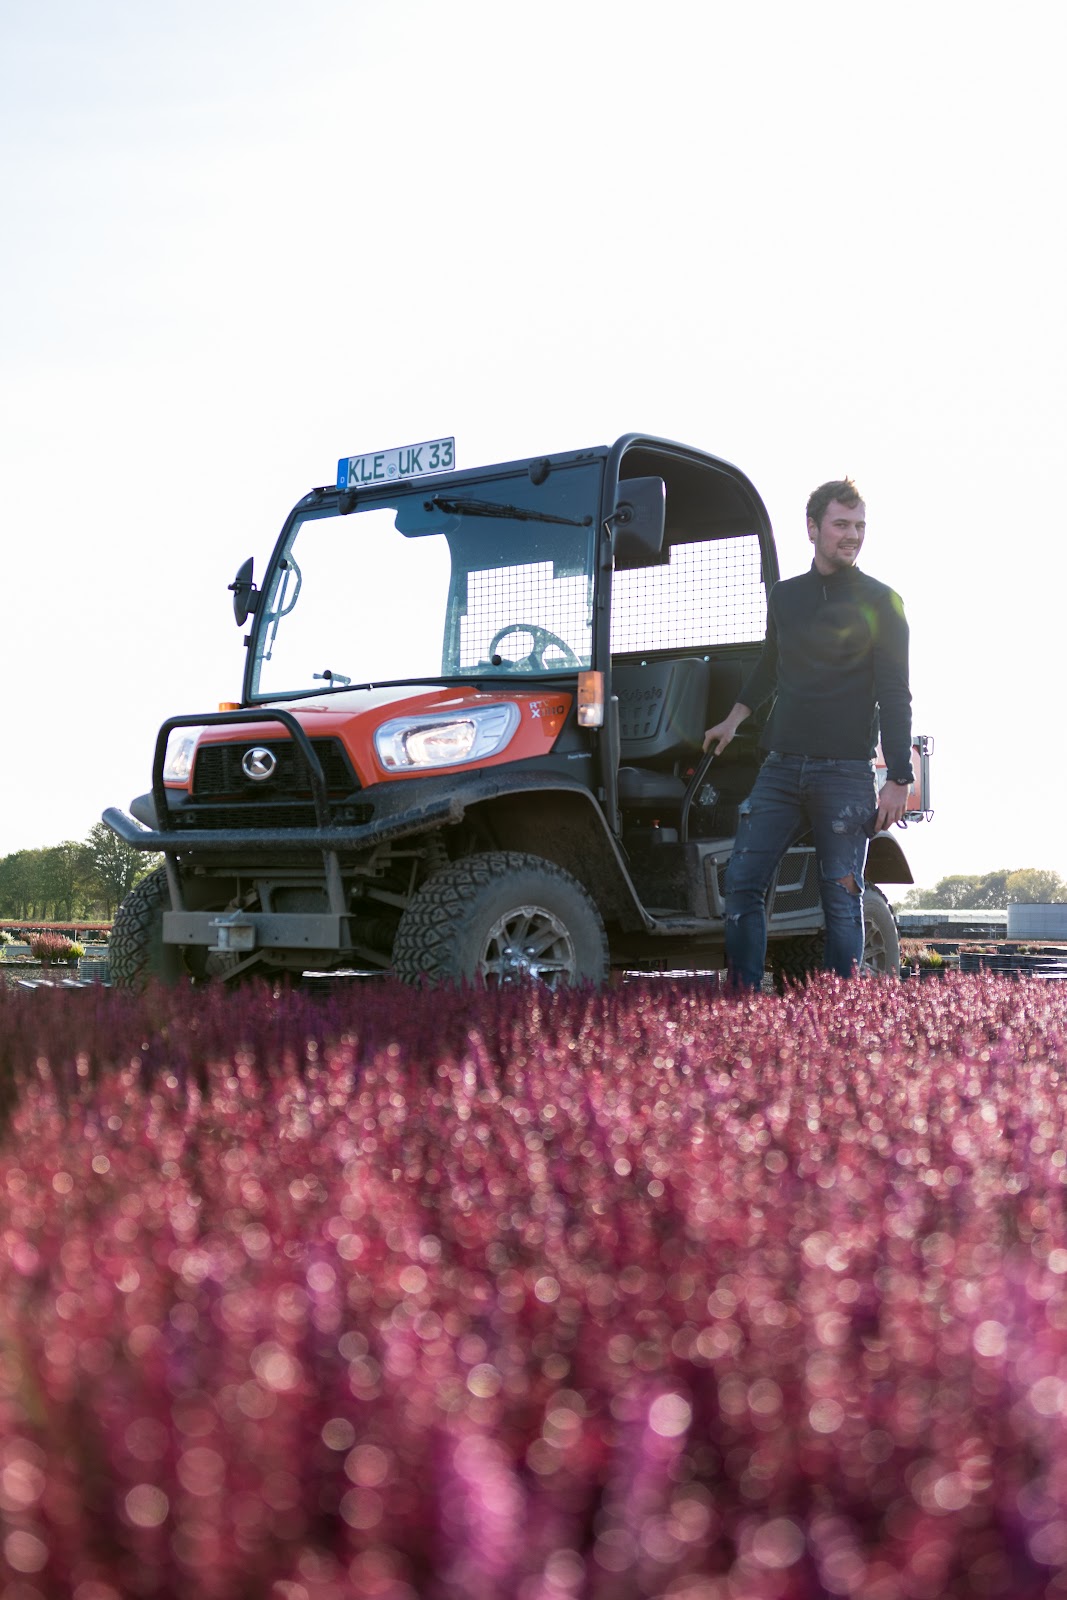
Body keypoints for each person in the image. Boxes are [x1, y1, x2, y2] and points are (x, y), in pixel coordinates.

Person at [704, 478, 913, 989]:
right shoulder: (786, 596)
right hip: (779, 768)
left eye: (859, 525)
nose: (853, 535)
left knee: (842, 898)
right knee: (743, 884)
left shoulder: (883, 603)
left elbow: (895, 694)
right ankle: (744, 1003)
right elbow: (769, 666)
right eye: (841, 524)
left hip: (845, 775)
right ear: (813, 528)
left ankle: (839, 1012)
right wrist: (733, 719)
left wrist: (898, 778)